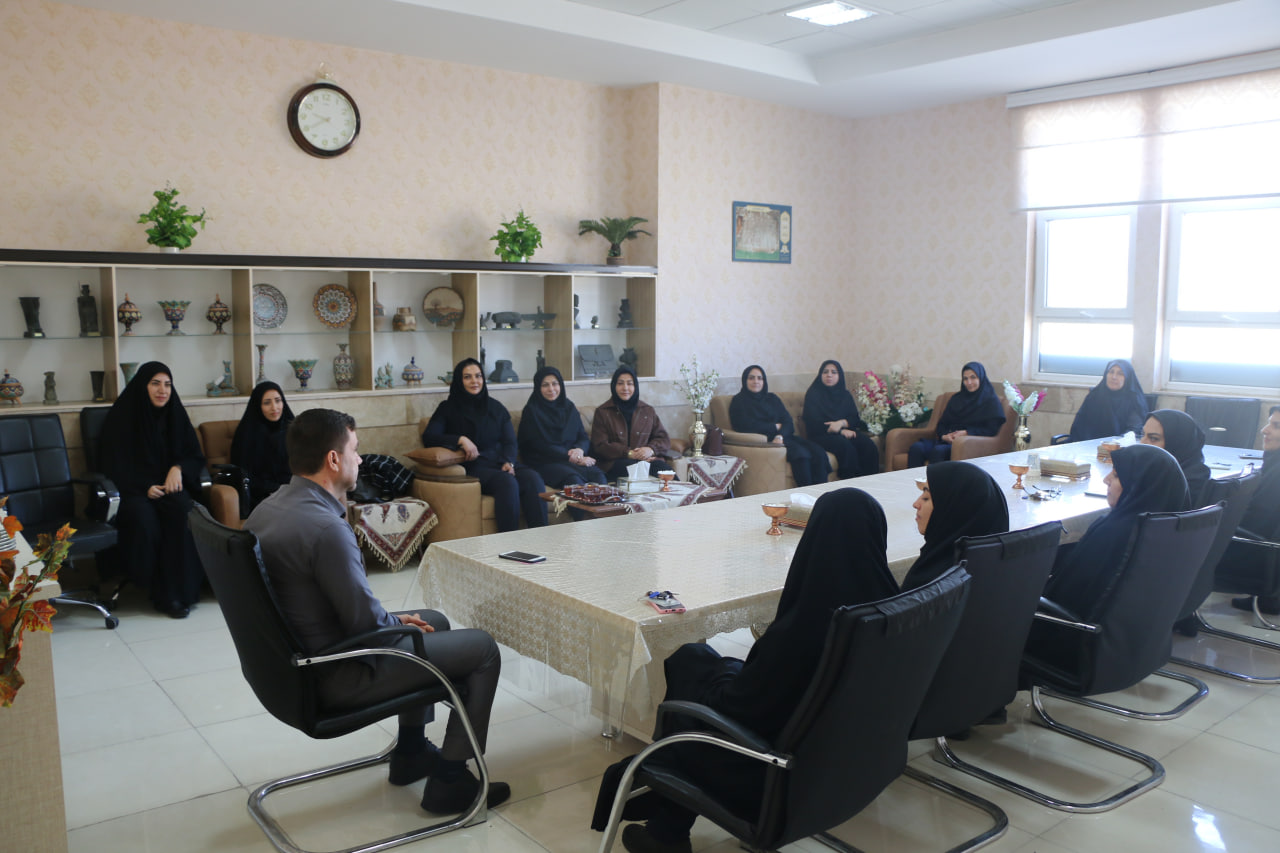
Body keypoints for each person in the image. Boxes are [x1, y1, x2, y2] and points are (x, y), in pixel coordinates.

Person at [593, 489, 899, 853]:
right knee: (700, 660)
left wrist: (714, 678)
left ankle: (667, 833)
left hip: (772, 776)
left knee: (688, 678)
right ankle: (666, 826)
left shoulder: (807, 629)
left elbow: (743, 707)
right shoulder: (888, 613)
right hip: (846, 764)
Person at [245, 408, 511, 812]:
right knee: (483, 649)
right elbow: (365, 623)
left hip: (289, 669)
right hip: (337, 675)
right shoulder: (326, 529)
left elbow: (344, 608)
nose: (359, 458)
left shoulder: (267, 510)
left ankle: (411, 753)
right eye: (354, 449)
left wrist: (396, 622)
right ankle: (450, 781)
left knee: (432, 621)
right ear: (333, 459)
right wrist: (392, 625)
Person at [99, 361, 205, 618]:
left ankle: (179, 594)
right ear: (142, 386)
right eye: (155, 383)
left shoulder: (175, 416)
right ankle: (156, 587)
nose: (163, 390)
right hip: (133, 491)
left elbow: (194, 455)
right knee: (145, 520)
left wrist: (178, 468)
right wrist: (142, 487)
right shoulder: (122, 418)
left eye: (168, 384)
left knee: (183, 512)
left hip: (169, 488)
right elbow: (110, 465)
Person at [1040, 444, 1189, 619]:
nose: (1106, 480)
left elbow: (1066, 594)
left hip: (1063, 626)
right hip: (1132, 630)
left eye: (1117, 475)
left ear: (1139, 486)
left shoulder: (1114, 532)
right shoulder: (1169, 529)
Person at [422, 358, 547, 532]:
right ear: (459, 380)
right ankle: (509, 542)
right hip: (474, 465)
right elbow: (429, 437)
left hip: (501, 461)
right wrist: (460, 439)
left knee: (533, 478)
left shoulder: (496, 408)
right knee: (507, 482)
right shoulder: (447, 408)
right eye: (467, 377)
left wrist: (509, 462)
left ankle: (541, 538)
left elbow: (510, 441)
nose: (474, 381)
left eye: (478, 376)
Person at [900, 461, 1010, 591]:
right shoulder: (999, 571)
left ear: (955, 510)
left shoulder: (932, 585)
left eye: (926, 498)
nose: (916, 504)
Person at [729, 365, 830, 486]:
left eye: (760, 378)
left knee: (818, 452)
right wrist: (774, 427)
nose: (756, 381)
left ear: (764, 381)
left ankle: (821, 492)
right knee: (801, 454)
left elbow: (788, 422)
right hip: (764, 442)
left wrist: (780, 435)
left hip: (784, 437)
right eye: (751, 378)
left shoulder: (772, 398)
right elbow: (744, 426)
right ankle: (805, 491)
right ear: (745, 380)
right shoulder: (738, 401)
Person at [1225, 405, 1280, 615]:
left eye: (1276, 426)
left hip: (1261, 552)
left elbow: (1257, 519)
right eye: (1268, 423)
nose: (1265, 430)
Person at [517, 366, 607, 488]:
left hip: (571, 460)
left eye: (555, 384)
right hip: (544, 463)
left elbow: (583, 436)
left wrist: (579, 450)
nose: (551, 389)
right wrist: (573, 457)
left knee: (598, 476)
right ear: (538, 387)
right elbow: (539, 445)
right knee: (574, 481)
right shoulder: (531, 411)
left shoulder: (569, 407)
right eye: (545, 385)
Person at [907, 362, 1007, 468]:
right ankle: (914, 479)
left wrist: (967, 432)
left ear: (981, 378)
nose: (969, 382)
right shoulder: (956, 399)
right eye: (965, 379)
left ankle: (935, 480)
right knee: (917, 448)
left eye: (973, 377)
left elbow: (991, 429)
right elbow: (942, 424)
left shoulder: (990, 400)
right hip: (947, 440)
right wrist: (944, 436)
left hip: (967, 444)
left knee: (938, 451)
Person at [591, 365, 673, 481]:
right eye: (620, 383)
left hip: (647, 461)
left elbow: (663, 439)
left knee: (667, 473)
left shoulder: (647, 410)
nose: (625, 388)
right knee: (636, 469)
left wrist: (650, 450)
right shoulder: (603, 412)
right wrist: (629, 453)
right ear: (614, 386)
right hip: (616, 463)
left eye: (630, 384)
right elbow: (600, 446)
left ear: (635, 386)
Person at [801, 359, 879, 478]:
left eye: (834, 372)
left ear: (840, 376)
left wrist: (842, 423)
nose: (829, 375)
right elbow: (813, 423)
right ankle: (849, 482)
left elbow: (855, 419)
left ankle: (869, 482)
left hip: (844, 431)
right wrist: (840, 431)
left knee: (868, 445)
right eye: (825, 372)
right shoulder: (813, 394)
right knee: (845, 447)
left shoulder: (845, 395)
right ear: (820, 375)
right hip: (821, 435)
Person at [229, 381, 295, 513]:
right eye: (267, 403)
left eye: (278, 401)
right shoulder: (247, 435)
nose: (274, 407)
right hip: (262, 496)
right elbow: (245, 475)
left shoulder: (293, 430)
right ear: (257, 406)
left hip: (294, 491)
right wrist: (276, 489)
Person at [1140, 409, 1211, 506]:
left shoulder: (1189, 481)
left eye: (1153, 438)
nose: (1142, 442)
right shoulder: (1155, 470)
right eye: (1142, 434)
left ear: (1177, 442)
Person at [1068, 359, 1149, 441]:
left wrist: (1113, 444)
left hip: (1119, 445)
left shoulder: (1134, 400)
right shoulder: (1094, 396)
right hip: (1086, 443)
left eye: (1120, 374)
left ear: (1127, 378)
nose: (1114, 377)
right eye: (1111, 372)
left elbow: (1133, 431)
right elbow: (1079, 427)